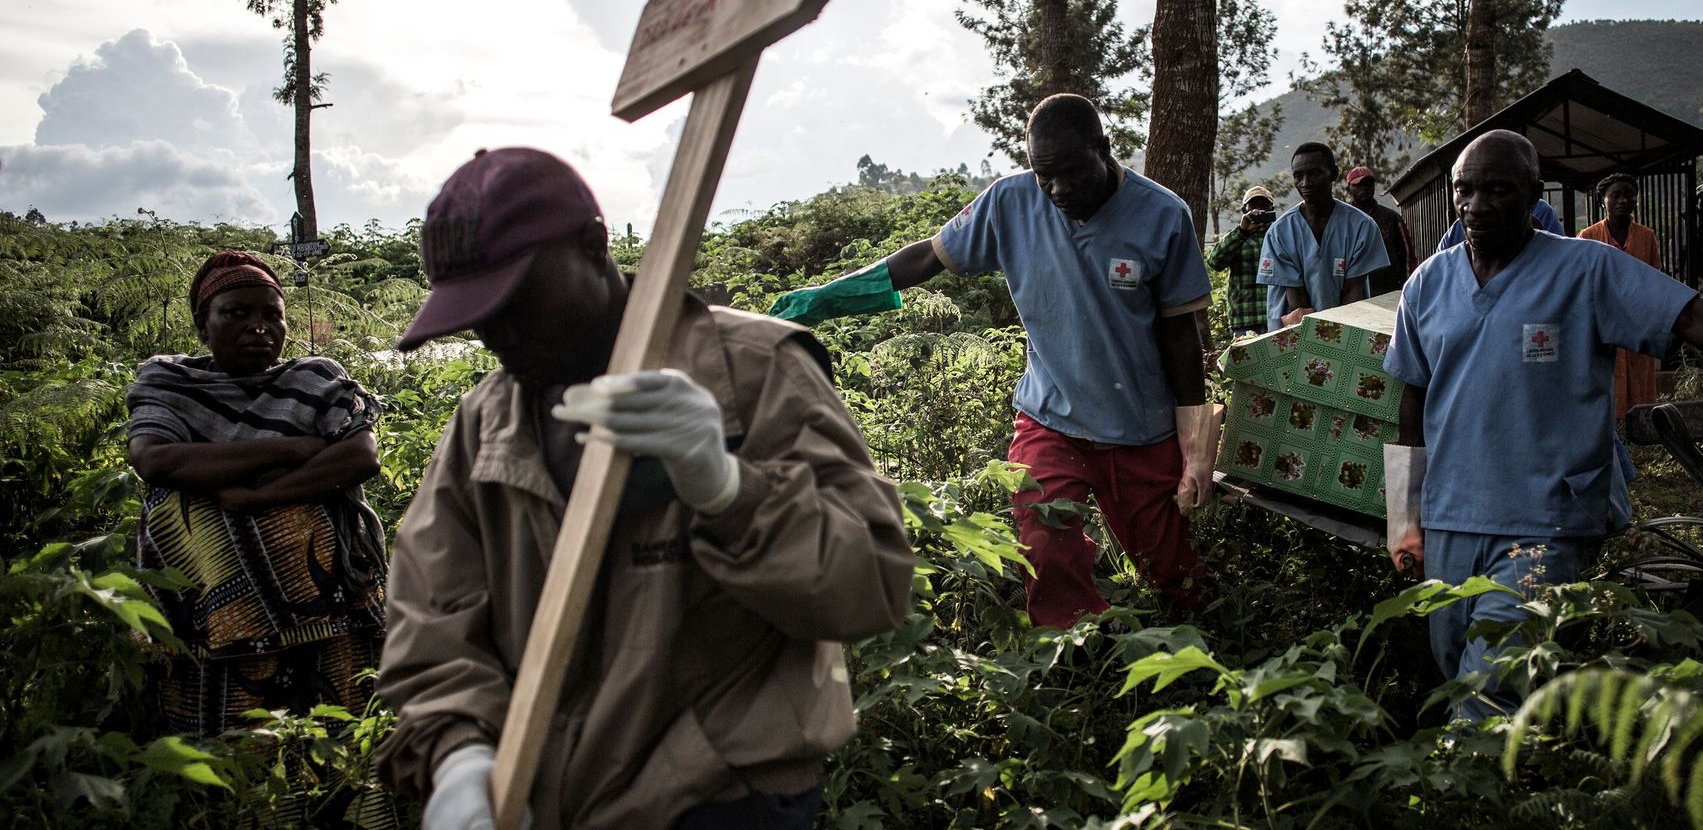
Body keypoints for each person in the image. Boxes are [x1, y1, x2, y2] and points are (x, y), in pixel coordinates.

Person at [375, 148, 914, 829]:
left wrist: (728, 489)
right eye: (474, 315)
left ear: (594, 245)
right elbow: (431, 617)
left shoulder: (753, 371)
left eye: (513, 298)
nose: (496, 334)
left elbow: (869, 587)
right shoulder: (486, 421)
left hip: (718, 801)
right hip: (538, 804)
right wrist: (456, 754)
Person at [1381, 131, 1703, 721]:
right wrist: (1404, 519)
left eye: (1497, 190)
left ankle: (1458, 798)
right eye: (1464, 191)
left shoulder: (1585, 270)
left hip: (1544, 521)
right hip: (1451, 518)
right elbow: (1412, 404)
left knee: (1491, 688)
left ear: (1530, 193)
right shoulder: (1428, 285)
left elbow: (1693, 313)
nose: (1477, 206)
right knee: (1452, 667)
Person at [771, 93, 1217, 630]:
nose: (1057, 191)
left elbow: (1180, 334)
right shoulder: (1010, 203)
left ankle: (1198, 652)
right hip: (1052, 419)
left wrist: (1192, 447)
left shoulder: (1162, 214)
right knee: (1045, 548)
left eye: (1071, 173)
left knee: (1173, 572)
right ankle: (1074, 655)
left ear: (1104, 148)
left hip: (1140, 429)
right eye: (1044, 176)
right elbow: (928, 256)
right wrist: (835, 294)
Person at [127, 250, 389, 822]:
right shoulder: (171, 380)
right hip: (211, 621)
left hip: (330, 605)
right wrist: (295, 449)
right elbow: (155, 459)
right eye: (236, 313)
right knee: (237, 755)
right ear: (203, 323)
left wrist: (260, 496)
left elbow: (360, 455)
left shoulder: (314, 378)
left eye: (272, 315)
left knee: (340, 739)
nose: (258, 328)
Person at [1256, 142, 1389, 329]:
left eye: (1314, 173)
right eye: (1298, 176)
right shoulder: (1279, 233)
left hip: (1348, 325)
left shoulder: (1361, 226)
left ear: (1333, 173)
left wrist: (1338, 338)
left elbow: (1353, 292)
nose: (1305, 183)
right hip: (1293, 331)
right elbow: (1297, 304)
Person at [1576, 172, 1665, 419]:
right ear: (1602, 200)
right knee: (1607, 370)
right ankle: (1610, 424)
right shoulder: (1588, 238)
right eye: (1615, 195)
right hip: (1602, 320)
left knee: (1639, 373)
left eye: (1628, 195)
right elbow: (1581, 282)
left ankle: (1643, 424)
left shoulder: (1646, 236)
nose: (1623, 201)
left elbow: (1655, 278)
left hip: (1638, 320)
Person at [1208, 185, 1278, 336]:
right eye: (1253, 205)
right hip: (1245, 319)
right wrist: (1242, 232)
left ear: (1271, 208)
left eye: (1264, 204)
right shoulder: (1236, 237)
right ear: (1244, 210)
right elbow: (1214, 262)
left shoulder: (1279, 235)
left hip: (1274, 316)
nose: (1259, 209)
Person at [1343, 166, 1418, 293]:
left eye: (1368, 184)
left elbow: (1408, 257)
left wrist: (1408, 289)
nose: (1364, 188)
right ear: (1349, 189)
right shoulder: (1342, 220)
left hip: (1388, 292)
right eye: (1358, 185)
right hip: (1352, 294)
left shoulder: (1392, 218)